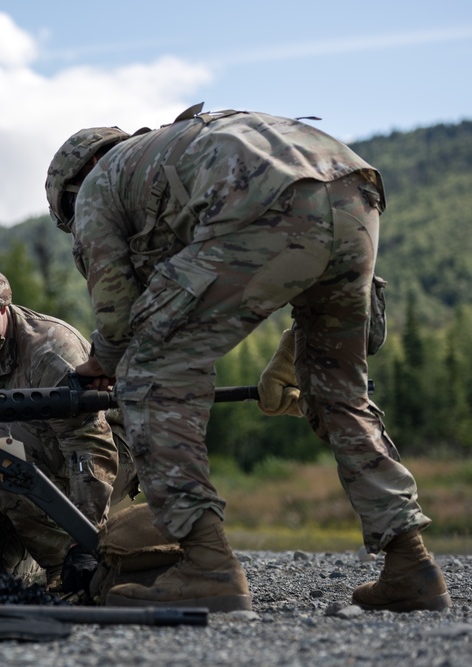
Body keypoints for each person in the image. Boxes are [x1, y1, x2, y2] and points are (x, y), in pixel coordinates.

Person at [44, 104, 452, 612]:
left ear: (74, 182)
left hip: (268, 206)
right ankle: (410, 564)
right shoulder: (180, 150)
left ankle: (207, 567)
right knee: (339, 392)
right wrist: (300, 346)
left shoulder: (98, 183)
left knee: (150, 376)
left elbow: (118, 315)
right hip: (355, 193)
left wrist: (103, 361)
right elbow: (300, 236)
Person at [0, 254, 136, 593]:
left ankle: (63, 570)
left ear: (2, 308)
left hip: (103, 454)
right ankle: (30, 564)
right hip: (13, 466)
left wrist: (83, 542)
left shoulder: (51, 350)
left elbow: (88, 443)